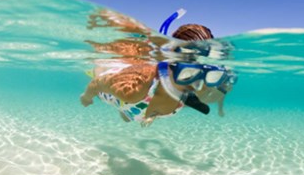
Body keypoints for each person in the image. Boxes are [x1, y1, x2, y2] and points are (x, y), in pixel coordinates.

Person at [80, 9, 235, 127]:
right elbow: (97, 84)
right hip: (115, 88)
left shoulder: (194, 87)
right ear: (172, 61)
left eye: (205, 73)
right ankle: (98, 70)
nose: (198, 84)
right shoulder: (135, 88)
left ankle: (139, 113)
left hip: (138, 108)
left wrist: (152, 115)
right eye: (190, 73)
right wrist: (86, 97)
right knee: (99, 74)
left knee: (127, 117)